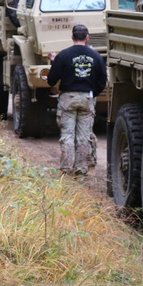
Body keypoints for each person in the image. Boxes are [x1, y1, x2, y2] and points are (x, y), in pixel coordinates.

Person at [46, 24, 107, 176]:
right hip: (87, 98)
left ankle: (66, 168)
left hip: (68, 98)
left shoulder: (64, 55)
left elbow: (51, 80)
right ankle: (81, 169)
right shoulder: (96, 56)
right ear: (87, 38)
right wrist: (92, 93)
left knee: (67, 135)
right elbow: (102, 81)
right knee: (84, 136)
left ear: (72, 37)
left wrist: (54, 61)